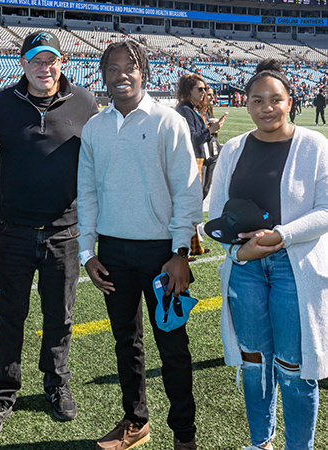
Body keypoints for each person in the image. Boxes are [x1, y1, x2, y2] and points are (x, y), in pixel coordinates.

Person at [77, 41, 202, 450]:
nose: (121, 75)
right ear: (103, 76)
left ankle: (184, 435)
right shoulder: (95, 127)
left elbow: (187, 190)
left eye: (129, 67)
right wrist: (88, 252)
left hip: (161, 253)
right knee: (125, 343)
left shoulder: (168, 121)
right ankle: (136, 421)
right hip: (113, 252)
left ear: (144, 72)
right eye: (111, 69)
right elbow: (87, 193)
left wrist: (180, 252)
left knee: (174, 348)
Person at [0, 31, 98, 437]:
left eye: (52, 60)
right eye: (37, 60)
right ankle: (3, 393)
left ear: (62, 62)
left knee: (59, 317)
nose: (45, 68)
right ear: (23, 63)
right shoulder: (3, 103)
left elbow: (97, 169)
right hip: (13, 233)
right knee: (8, 318)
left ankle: (56, 383)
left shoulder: (84, 102)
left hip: (65, 232)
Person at [209, 59, 328, 450]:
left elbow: (326, 210)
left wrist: (280, 235)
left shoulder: (314, 146)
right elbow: (216, 213)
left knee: (295, 371)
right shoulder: (233, 148)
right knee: (254, 364)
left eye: (275, 100)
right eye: (258, 100)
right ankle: (261, 442)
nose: (267, 108)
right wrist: (238, 250)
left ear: (289, 101)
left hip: (295, 270)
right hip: (244, 267)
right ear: (247, 104)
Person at [176, 74, 227, 256]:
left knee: (195, 202)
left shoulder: (193, 109)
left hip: (199, 157)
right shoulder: (185, 110)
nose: (204, 92)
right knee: (189, 205)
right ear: (189, 91)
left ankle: (194, 246)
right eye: (200, 89)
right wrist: (210, 130)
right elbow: (192, 138)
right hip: (192, 159)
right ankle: (185, 249)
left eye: (205, 89)